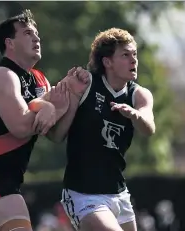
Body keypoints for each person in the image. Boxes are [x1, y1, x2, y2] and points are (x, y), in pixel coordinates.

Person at [0, 9, 86, 231]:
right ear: (10, 43)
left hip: (9, 180)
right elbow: (21, 127)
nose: (36, 38)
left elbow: (55, 134)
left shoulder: (40, 81)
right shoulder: (1, 75)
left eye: (36, 34)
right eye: (27, 33)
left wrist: (72, 97)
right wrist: (48, 105)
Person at [49, 28, 156, 231]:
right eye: (125, 55)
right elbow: (56, 135)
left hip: (118, 193)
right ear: (107, 62)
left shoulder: (139, 95)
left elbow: (148, 127)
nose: (133, 60)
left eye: (134, 54)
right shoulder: (86, 85)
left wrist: (135, 115)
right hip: (83, 195)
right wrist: (69, 97)